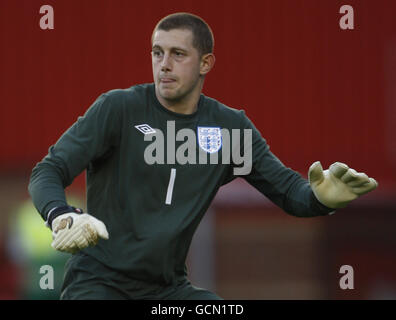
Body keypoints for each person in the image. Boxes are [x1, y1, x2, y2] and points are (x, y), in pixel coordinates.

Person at [28, 12, 378, 300]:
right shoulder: (118, 109)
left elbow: (290, 192)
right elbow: (48, 170)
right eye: (156, 52)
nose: (164, 65)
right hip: (99, 284)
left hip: (167, 290)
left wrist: (321, 199)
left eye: (177, 54)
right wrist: (61, 214)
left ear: (206, 63)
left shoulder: (229, 128)